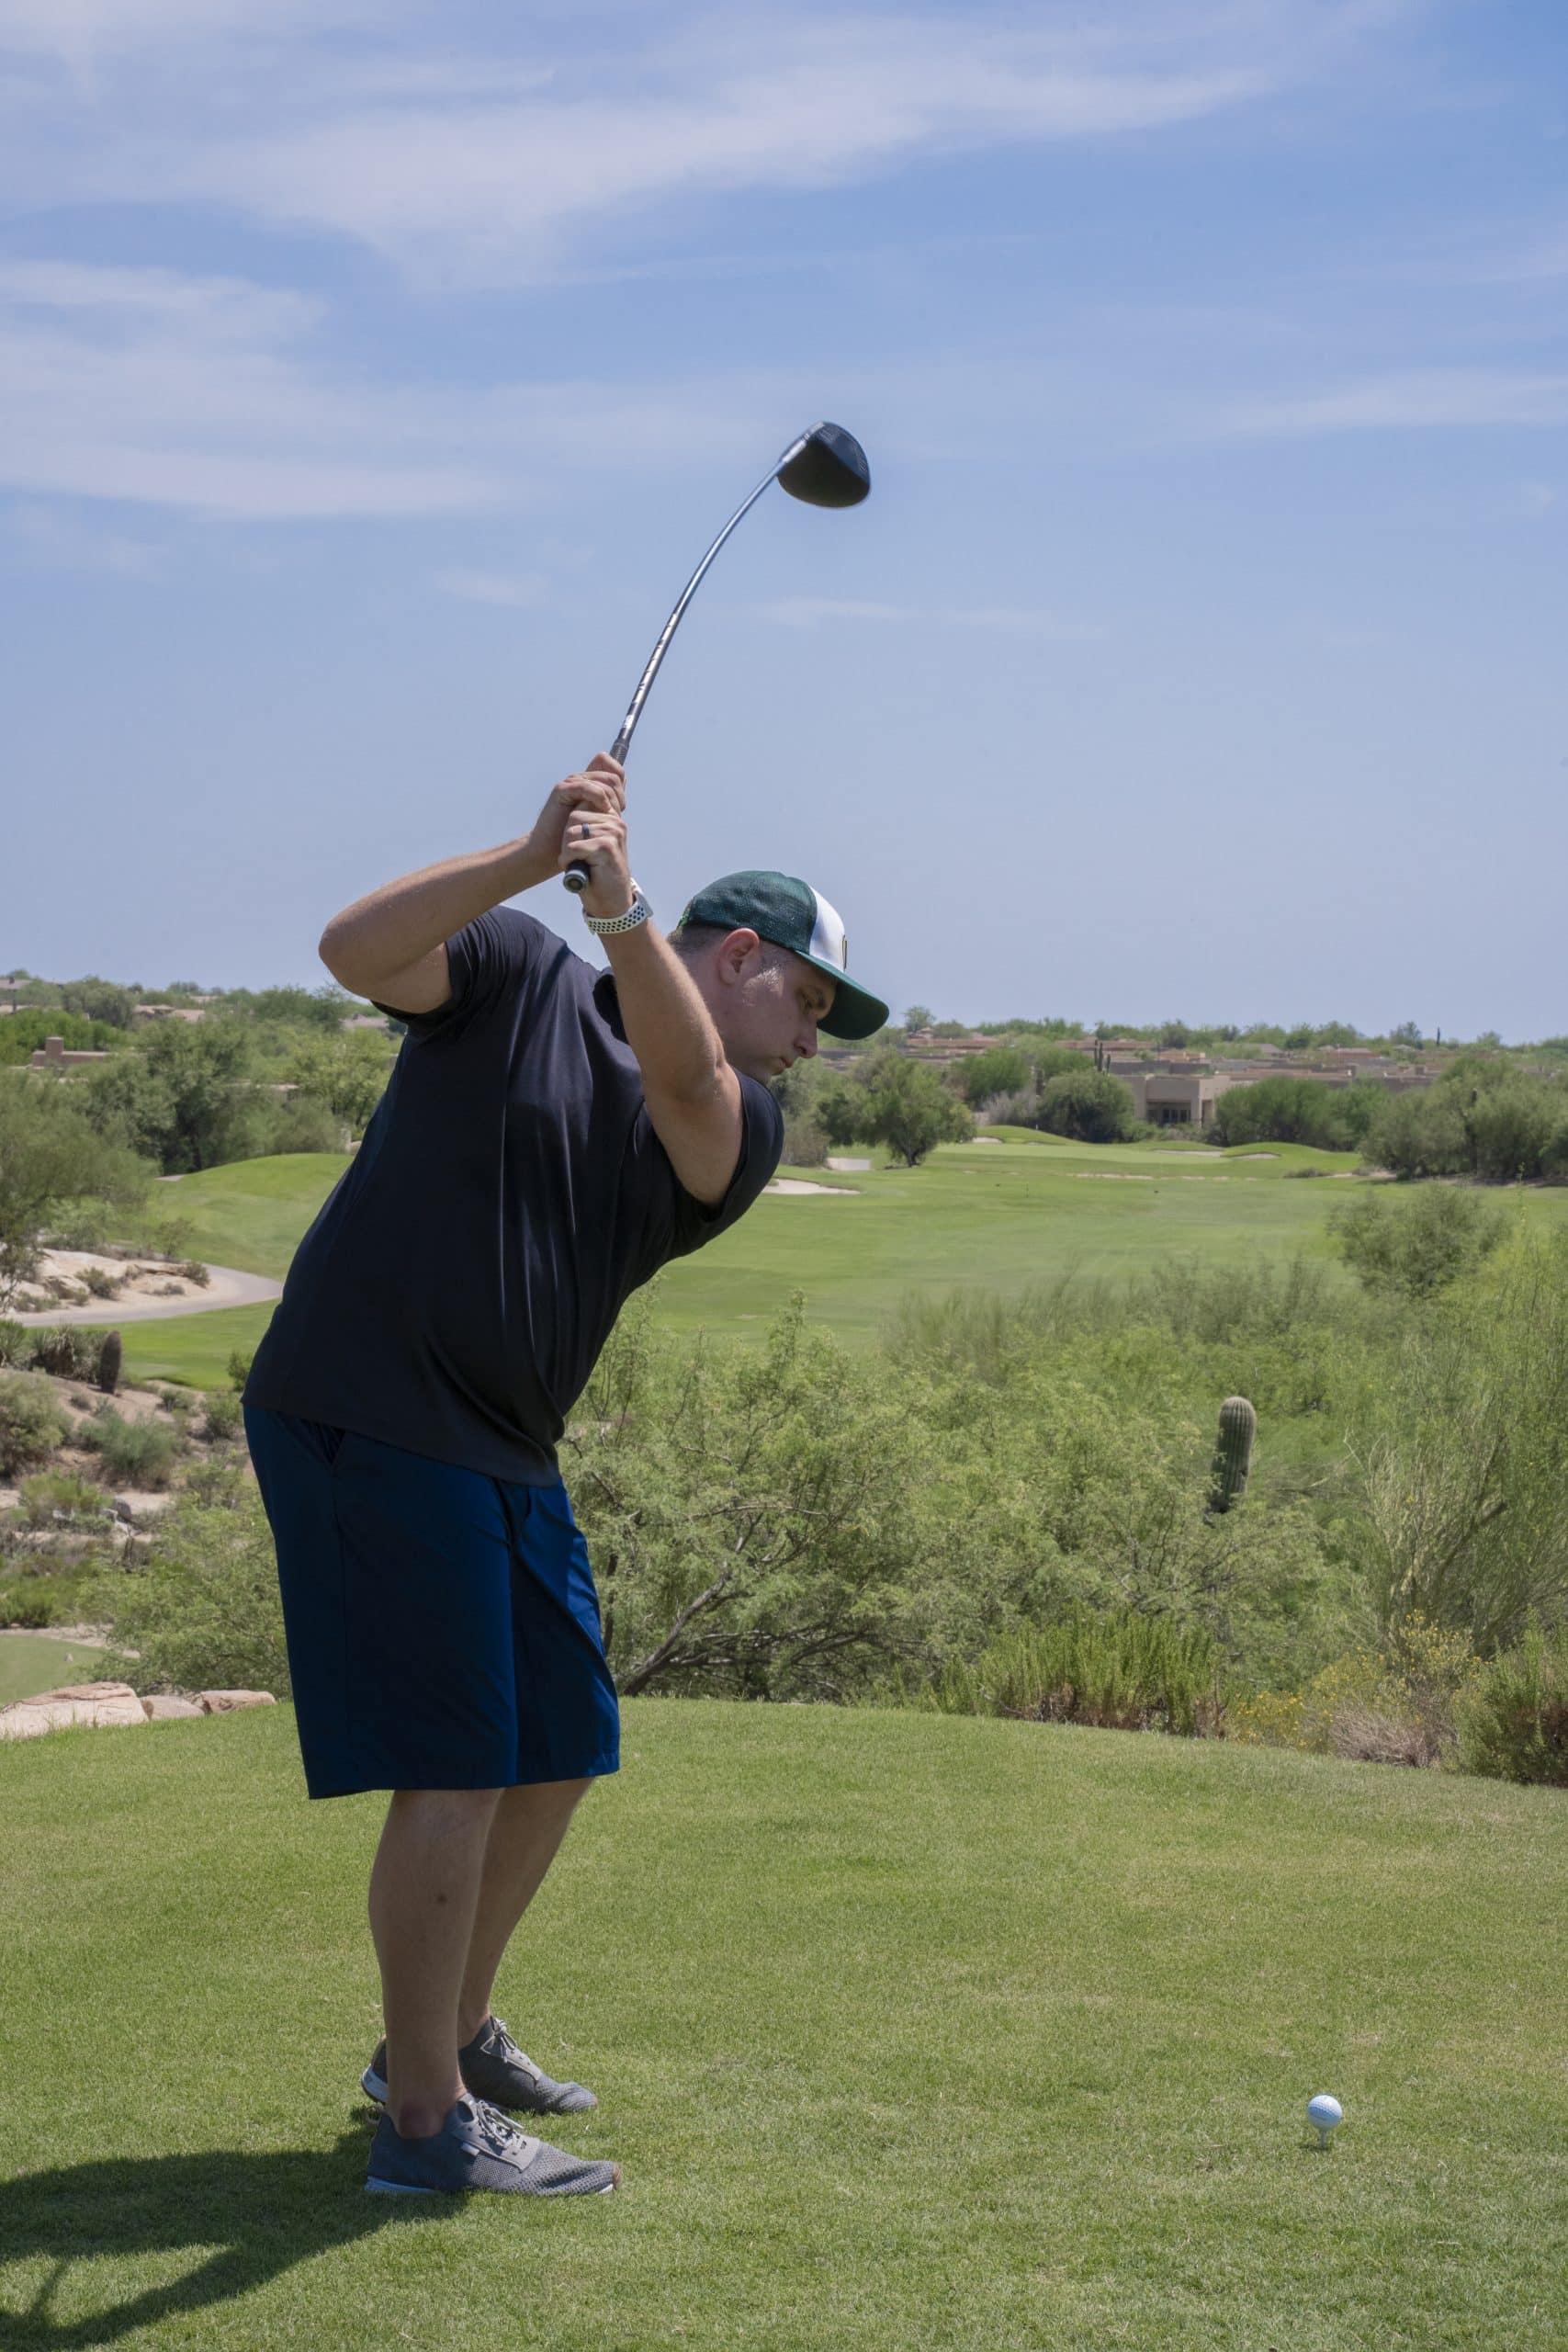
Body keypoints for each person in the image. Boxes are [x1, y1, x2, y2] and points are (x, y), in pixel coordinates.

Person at [242, 752, 888, 2199]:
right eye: (812, 1002)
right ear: (743, 955)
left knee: (562, 1740)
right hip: (369, 1406)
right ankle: (421, 2130)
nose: (813, 1041)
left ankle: (449, 2037)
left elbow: (686, 1074)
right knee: (460, 1758)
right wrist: (534, 858)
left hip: (503, 1441)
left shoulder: (741, 1118)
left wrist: (616, 908)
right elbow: (355, 951)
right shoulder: (514, 970)